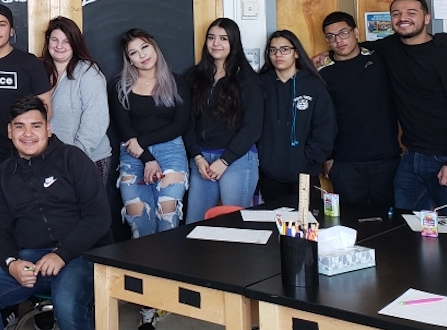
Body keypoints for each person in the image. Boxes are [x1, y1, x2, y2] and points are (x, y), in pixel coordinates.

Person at [0, 95, 113, 330]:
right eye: (19, 127)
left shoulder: (73, 159)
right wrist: (12, 262)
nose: (28, 134)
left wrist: (61, 254)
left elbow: (99, 217)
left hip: (81, 255)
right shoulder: (3, 175)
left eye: (36, 126)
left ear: (48, 129)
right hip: (31, 258)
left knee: (66, 301)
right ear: (9, 132)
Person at [363, 0, 447, 219]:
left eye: (411, 13)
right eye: (396, 14)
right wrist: (324, 57)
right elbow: (353, 49)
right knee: (406, 228)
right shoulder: (390, 48)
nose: (402, 18)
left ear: (426, 18)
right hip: (411, 158)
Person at [108, 29, 191, 329]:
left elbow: (180, 124)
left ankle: (164, 297)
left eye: (145, 47)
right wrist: (145, 157)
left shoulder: (177, 81)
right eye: (134, 52)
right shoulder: (119, 86)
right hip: (132, 156)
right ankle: (146, 302)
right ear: (128, 59)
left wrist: (150, 151)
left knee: (168, 223)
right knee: (140, 227)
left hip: (171, 154)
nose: (142, 55)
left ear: (154, 47)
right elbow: (124, 128)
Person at [0, 4, 52, 258]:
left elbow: (45, 106)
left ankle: (27, 280)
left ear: (12, 31)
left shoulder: (28, 64)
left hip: (21, 158)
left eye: (1, 24)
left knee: (25, 219)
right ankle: (1, 283)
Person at [183, 18, 263, 224]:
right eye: (211, 38)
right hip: (201, 160)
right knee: (195, 225)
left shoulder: (248, 79)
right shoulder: (194, 76)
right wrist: (198, 158)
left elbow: (252, 127)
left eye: (223, 38)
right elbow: (187, 121)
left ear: (233, 42)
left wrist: (225, 160)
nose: (216, 43)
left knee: (233, 226)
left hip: (236, 160)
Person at [317, 12, 401, 207]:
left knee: (389, 222)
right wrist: (327, 157)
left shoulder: (381, 61)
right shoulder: (323, 73)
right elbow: (321, 118)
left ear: (356, 32)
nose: (338, 40)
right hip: (344, 161)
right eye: (331, 36)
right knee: (350, 221)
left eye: (343, 33)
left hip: (386, 158)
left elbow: (409, 42)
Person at [256, 30, 335, 201]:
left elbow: (326, 127)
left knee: (306, 224)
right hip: (269, 173)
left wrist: (307, 158)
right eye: (273, 50)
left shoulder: (314, 85)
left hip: (305, 172)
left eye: (285, 49)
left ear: (296, 52)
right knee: (273, 223)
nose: (278, 54)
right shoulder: (259, 84)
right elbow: (250, 125)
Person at [40, 16, 112, 182]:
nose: (59, 46)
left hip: (87, 159)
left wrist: (74, 158)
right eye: (55, 40)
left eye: (66, 41)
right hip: (49, 160)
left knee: (83, 208)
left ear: (75, 43)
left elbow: (96, 121)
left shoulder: (88, 73)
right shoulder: (40, 71)